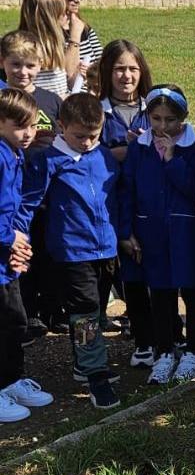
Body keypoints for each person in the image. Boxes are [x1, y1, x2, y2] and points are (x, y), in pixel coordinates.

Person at [17, 94, 121, 408]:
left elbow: (117, 196)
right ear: (61, 126)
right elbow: (29, 202)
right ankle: (94, 372)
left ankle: (82, 361)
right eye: (79, 136)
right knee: (85, 310)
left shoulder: (103, 156)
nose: (87, 143)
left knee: (96, 309)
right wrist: (19, 235)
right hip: (72, 250)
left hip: (106, 247)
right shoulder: (49, 161)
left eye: (94, 136)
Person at [118, 86, 195, 384]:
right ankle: (164, 353)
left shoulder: (194, 147)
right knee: (159, 294)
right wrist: (126, 231)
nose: (163, 126)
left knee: (191, 293)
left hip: (186, 231)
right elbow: (128, 189)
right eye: (156, 119)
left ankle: (193, 352)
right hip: (151, 232)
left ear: (182, 118)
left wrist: (171, 158)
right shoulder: (139, 148)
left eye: (170, 119)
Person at [96, 40, 155, 368]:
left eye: (133, 68)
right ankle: (133, 341)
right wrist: (121, 152)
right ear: (107, 71)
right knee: (121, 275)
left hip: (149, 205)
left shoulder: (155, 108)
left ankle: (162, 336)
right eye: (119, 69)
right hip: (108, 205)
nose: (126, 76)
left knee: (152, 272)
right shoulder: (97, 111)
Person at [2, 31, 64, 342]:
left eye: (30, 65)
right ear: (3, 62)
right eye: (15, 64)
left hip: (45, 193)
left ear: (41, 65)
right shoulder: (3, 99)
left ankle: (50, 309)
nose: (23, 72)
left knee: (46, 251)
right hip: (11, 197)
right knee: (18, 255)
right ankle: (25, 315)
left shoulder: (50, 100)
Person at [0, 89, 51, 422]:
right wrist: (9, 238)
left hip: (7, 261)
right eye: (20, 126)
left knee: (14, 322)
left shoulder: (16, 154)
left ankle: (11, 379)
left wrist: (20, 244)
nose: (28, 133)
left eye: (32, 125)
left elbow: (17, 207)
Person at [34, 0, 102, 89]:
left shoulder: (84, 27)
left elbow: (102, 60)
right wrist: (74, 38)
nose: (77, 0)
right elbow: (66, 77)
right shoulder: (42, 34)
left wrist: (92, 71)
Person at [18, 0, 72, 97]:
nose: (67, 15)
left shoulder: (57, 43)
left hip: (58, 102)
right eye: (63, 12)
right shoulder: (27, 48)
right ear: (50, 18)